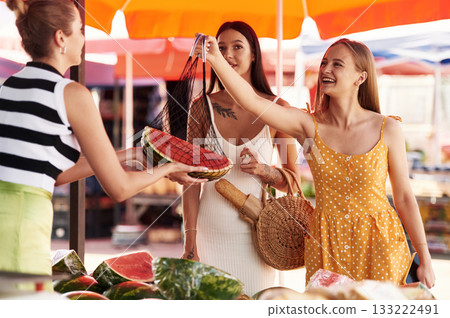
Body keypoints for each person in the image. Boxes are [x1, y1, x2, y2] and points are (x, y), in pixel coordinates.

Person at [194, 35, 436, 289]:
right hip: (327, 244)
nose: (325, 70)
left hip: (382, 244)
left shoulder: (388, 128)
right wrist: (215, 59)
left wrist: (424, 256)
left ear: (360, 77)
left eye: (337, 64)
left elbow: (405, 198)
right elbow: (253, 103)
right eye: (323, 63)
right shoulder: (308, 126)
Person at [0, 0, 207, 290]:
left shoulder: (8, 88)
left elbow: (54, 173)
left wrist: (130, 153)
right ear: (61, 38)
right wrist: (168, 168)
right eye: (80, 30)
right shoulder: (71, 94)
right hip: (23, 227)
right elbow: (120, 188)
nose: (83, 39)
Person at [181, 21, 301, 295]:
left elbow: (293, 182)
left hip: (258, 236)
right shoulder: (201, 108)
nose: (229, 54)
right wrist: (190, 241)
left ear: (254, 54)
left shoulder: (278, 109)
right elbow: (190, 181)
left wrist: (264, 171)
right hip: (209, 233)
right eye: (221, 48)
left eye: (238, 46)